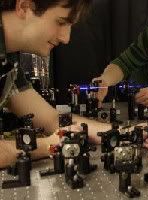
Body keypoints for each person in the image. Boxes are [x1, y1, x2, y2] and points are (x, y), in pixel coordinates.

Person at [0, 0, 116, 169]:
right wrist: (50, 144)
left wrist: (118, 133)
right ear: (24, 7)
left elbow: (51, 119)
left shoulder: (8, 61)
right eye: (61, 22)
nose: (66, 38)